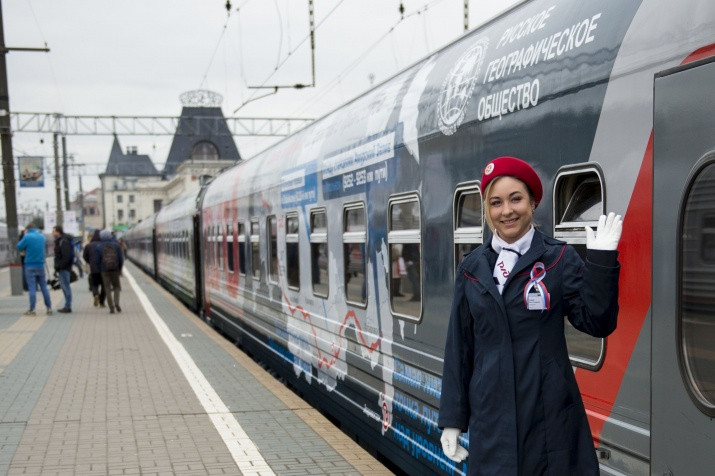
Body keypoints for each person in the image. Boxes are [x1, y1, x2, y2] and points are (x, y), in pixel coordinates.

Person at [438, 156, 623, 475]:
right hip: (492, 421)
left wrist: (602, 263)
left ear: (533, 202)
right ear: (487, 209)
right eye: (495, 202)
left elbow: (597, 322)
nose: (506, 211)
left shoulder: (559, 260)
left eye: (516, 199)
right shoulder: (472, 269)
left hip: (548, 419)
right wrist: (452, 422)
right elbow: (460, 350)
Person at [16, 224, 53, 315]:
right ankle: (49, 308)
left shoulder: (27, 236)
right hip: (40, 265)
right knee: (44, 287)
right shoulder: (42, 237)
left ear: (27, 229)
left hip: (29, 265)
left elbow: (19, 246)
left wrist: (24, 235)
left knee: (32, 288)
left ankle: (32, 309)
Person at [98, 229, 124, 314]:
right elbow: (121, 258)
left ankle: (111, 307)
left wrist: (100, 268)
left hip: (104, 270)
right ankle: (117, 303)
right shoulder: (116, 245)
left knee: (107, 288)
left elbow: (97, 260)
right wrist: (120, 268)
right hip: (115, 269)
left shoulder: (99, 246)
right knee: (117, 287)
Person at [52, 225, 74, 313]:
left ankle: (68, 306)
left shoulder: (63, 241)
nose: (52, 233)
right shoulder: (61, 241)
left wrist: (60, 266)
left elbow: (66, 256)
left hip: (64, 268)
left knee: (65, 286)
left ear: (58, 232)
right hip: (63, 267)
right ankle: (67, 305)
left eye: (53, 231)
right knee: (65, 286)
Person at [83, 229, 106, 308]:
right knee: (104, 285)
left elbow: (84, 256)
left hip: (94, 269)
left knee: (94, 284)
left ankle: (96, 294)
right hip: (104, 269)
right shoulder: (104, 244)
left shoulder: (89, 245)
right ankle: (102, 302)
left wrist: (90, 262)